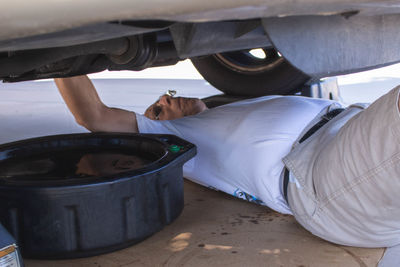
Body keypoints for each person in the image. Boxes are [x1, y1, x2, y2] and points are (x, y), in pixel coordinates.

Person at [55, 75, 400, 248]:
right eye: (158, 110)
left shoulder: (227, 109)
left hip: (343, 145)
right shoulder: (176, 137)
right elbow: (93, 116)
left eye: (166, 98)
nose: (164, 100)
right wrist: (62, 48)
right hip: (323, 180)